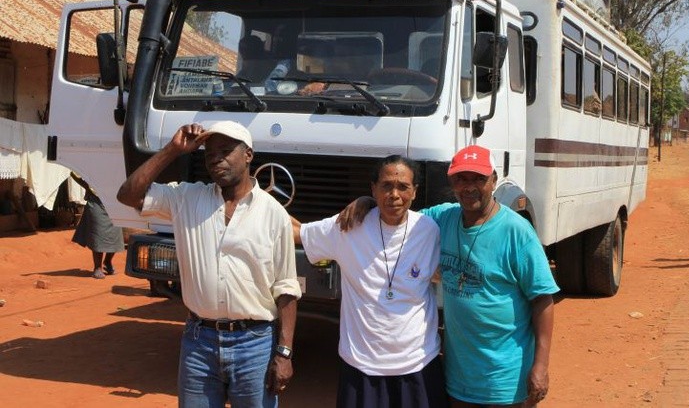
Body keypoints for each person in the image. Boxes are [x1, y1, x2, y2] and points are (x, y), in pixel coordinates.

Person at [339, 145, 559, 407]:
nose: (469, 187)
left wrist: (541, 366)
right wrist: (368, 202)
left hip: (504, 381)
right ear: (451, 182)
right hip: (458, 379)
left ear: (494, 181)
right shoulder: (442, 218)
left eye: (479, 178)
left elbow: (543, 300)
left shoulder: (516, 232)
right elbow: (398, 214)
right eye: (461, 179)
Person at [116, 121, 301, 407]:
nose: (216, 159)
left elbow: (287, 288)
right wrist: (172, 150)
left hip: (255, 344)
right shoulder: (186, 198)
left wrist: (284, 352)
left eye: (226, 151)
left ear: (248, 155)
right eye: (209, 153)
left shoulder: (273, 213)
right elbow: (128, 194)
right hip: (199, 342)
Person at [292, 155, 447, 408]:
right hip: (361, 367)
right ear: (373, 189)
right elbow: (296, 232)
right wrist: (250, 195)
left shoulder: (430, 230)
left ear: (415, 192)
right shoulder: (349, 227)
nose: (394, 194)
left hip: (418, 364)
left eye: (403, 187)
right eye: (386, 186)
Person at [70, 172, 123, 279]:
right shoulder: (95, 162)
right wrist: (87, 186)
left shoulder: (117, 163)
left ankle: (107, 261)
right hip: (97, 202)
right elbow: (74, 173)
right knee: (98, 235)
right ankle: (97, 267)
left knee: (115, 236)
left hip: (114, 203)